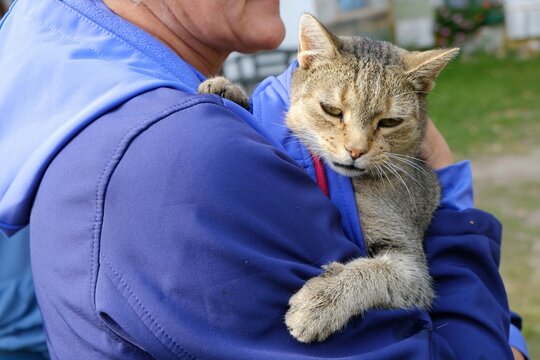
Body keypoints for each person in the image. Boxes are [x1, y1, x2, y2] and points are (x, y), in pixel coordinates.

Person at [0, 0, 528, 359]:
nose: (357, 146)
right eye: (333, 114)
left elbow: (406, 271)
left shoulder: (96, 100)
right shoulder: (176, 156)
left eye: (387, 122)